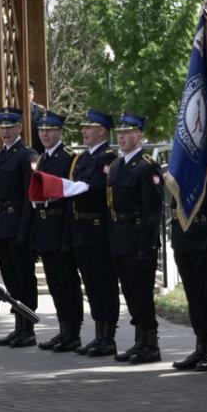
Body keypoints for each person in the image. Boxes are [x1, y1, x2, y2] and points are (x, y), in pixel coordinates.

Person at [167, 116, 207, 373]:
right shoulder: (182, 166)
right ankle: (200, 345)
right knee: (194, 296)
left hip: (206, 239)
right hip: (185, 239)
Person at [107, 113, 165, 364]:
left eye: (127, 133)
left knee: (142, 294)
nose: (121, 137)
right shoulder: (117, 166)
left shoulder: (147, 166)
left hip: (139, 240)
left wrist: (147, 246)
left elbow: (153, 211)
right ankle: (139, 341)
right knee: (130, 294)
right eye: (119, 133)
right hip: (121, 238)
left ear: (139, 135)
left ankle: (151, 344)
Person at [30, 111, 86, 352]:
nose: (45, 134)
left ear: (60, 131)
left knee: (67, 281)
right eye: (42, 130)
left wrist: (67, 235)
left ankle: (73, 331)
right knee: (54, 282)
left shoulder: (69, 158)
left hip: (62, 227)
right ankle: (63, 329)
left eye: (50, 130)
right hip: (46, 228)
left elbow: (70, 199)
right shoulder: (42, 159)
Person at [0, 109, 40, 347]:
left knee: (24, 278)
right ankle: (18, 327)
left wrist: (25, 231)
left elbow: (30, 196)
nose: (5, 131)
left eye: (10, 127)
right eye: (2, 127)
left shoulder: (27, 155)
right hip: (1, 224)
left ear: (20, 127)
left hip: (17, 224)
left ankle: (28, 329)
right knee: (10, 279)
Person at [69, 110, 120, 358]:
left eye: (88, 127)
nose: (83, 131)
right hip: (82, 229)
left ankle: (108, 337)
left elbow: (97, 189)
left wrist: (72, 189)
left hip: (99, 230)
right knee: (90, 284)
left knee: (104, 283)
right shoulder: (83, 159)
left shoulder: (107, 157)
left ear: (101, 131)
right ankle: (99, 333)